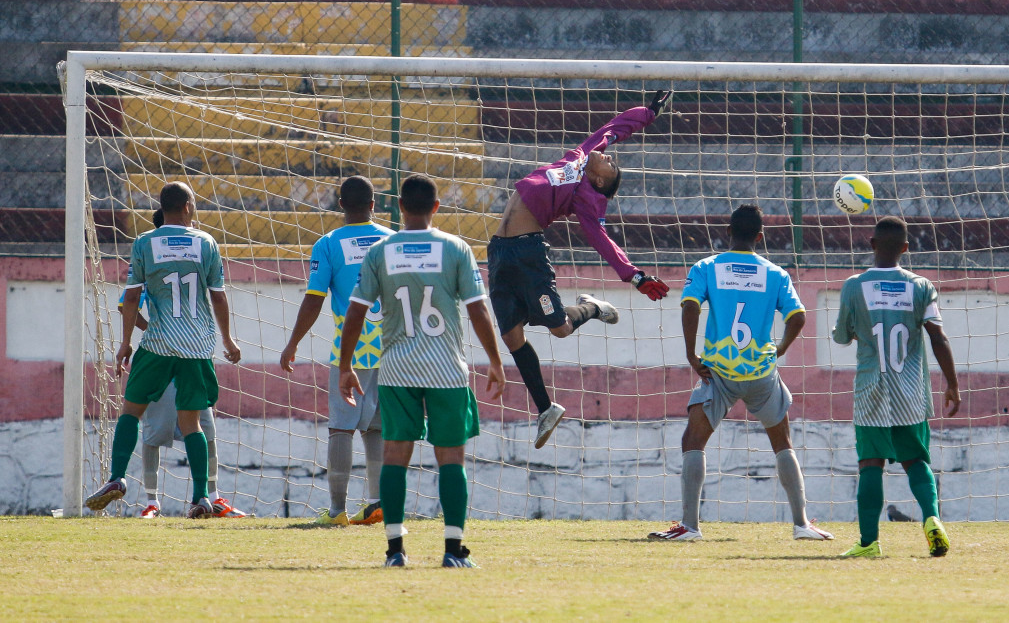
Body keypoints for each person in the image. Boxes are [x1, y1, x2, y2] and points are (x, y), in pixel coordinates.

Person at [488, 90, 672, 448]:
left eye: (610, 164)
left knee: (559, 328)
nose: (608, 156)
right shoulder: (581, 156)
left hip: (528, 254)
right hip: (498, 252)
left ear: (602, 181)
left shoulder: (588, 198)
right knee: (511, 335)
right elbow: (614, 129)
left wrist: (634, 276)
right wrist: (648, 113)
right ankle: (545, 409)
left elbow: (602, 240)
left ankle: (592, 307)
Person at [339, 174, 505, 568]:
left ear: (399, 206)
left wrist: (346, 366)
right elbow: (478, 308)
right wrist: (496, 361)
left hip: (397, 368)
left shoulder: (379, 251)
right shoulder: (455, 248)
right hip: (446, 368)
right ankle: (453, 551)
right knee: (452, 457)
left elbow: (356, 311)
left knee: (395, 454)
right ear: (436, 207)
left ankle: (395, 551)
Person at [648, 204, 833, 542]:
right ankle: (802, 525)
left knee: (693, 440)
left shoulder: (707, 267)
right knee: (782, 442)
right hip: (761, 371)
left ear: (727, 232)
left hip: (717, 370)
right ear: (760, 237)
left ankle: (690, 526)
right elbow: (798, 317)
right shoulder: (776, 274)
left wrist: (691, 354)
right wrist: (780, 349)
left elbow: (690, 305)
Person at [85, 182, 242, 518]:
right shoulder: (207, 243)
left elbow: (130, 298)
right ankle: (201, 497)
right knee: (192, 424)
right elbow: (218, 296)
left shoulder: (144, 243)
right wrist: (228, 339)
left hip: (158, 343)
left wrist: (126, 342)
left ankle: (117, 478)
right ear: (187, 206)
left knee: (130, 412)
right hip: (197, 347)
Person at [832, 216, 960, 558]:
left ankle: (869, 543)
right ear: (906, 248)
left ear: (872, 245)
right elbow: (938, 336)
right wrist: (952, 384)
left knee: (870, 463)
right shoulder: (921, 286)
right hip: (911, 392)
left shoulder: (854, 285)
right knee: (917, 461)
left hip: (871, 390)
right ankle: (932, 519)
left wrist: (862, 329)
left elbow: (842, 335)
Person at [280, 175, 393, 526]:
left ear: (340, 204)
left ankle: (337, 511)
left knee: (341, 429)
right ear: (374, 205)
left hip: (351, 351)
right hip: (390, 347)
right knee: (376, 428)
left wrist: (293, 342)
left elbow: (314, 300)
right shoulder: (392, 240)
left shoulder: (328, 244)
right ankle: (377, 503)